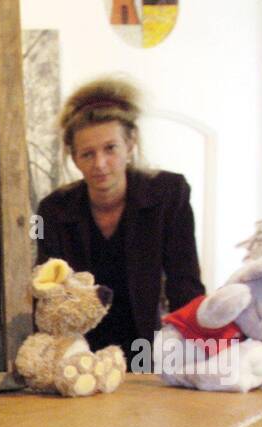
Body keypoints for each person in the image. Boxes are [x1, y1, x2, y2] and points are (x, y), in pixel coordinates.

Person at [36, 77, 204, 366]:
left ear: (130, 143)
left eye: (110, 148)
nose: (99, 164)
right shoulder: (53, 210)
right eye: (87, 154)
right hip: (79, 352)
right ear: (74, 157)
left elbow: (184, 282)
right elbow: (48, 290)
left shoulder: (168, 194)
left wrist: (198, 354)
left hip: (147, 348)